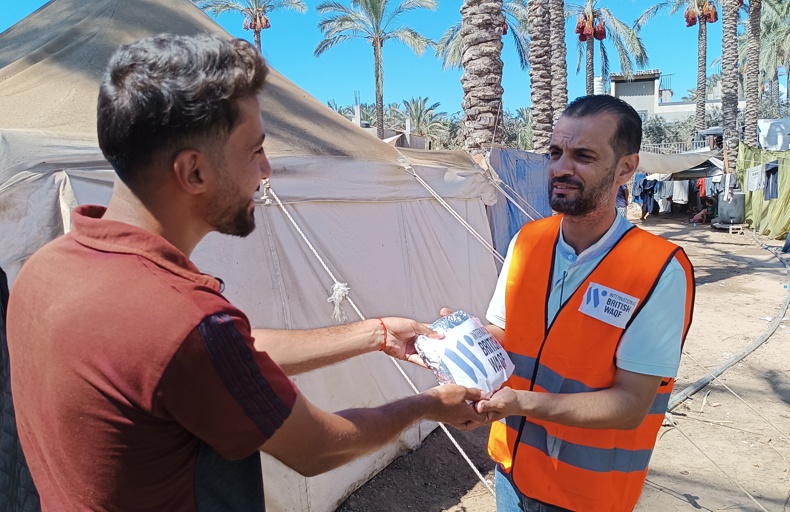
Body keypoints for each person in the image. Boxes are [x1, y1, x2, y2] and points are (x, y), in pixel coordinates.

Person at [6, 34, 485, 511]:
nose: (268, 170)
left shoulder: (43, 272)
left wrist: (374, 334)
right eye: (254, 150)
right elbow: (318, 447)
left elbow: (224, 357)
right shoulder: (185, 324)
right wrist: (428, 405)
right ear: (193, 172)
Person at [476, 95, 695, 512]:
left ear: (626, 168)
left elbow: (630, 404)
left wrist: (521, 403)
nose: (560, 168)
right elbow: (506, 336)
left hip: (585, 497)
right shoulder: (528, 241)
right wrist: (458, 342)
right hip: (512, 470)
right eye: (556, 152)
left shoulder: (659, 270)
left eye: (583, 156)